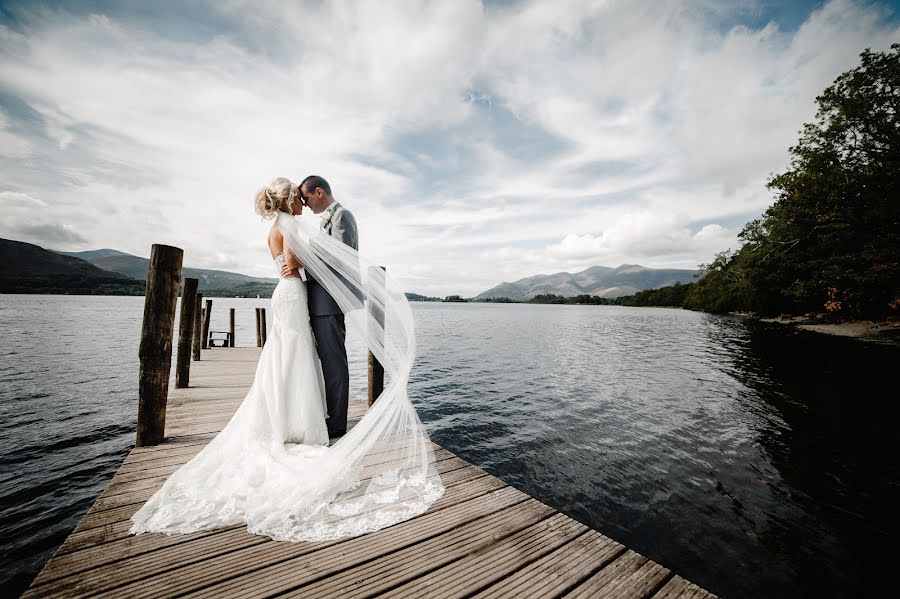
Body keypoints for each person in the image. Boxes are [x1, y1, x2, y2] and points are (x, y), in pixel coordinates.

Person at [127, 177, 443, 543]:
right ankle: (313, 421)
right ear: (290, 199)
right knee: (297, 356)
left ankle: (309, 419)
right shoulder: (288, 227)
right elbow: (297, 262)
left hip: (301, 296)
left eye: (306, 199)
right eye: (299, 200)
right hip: (296, 295)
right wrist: (302, 255)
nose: (304, 206)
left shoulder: (310, 222)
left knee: (295, 357)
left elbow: (329, 258)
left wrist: (302, 257)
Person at [283, 175, 357, 439]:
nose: (305, 204)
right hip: (318, 301)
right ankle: (328, 415)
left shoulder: (342, 217)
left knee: (334, 364)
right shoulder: (330, 219)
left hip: (329, 303)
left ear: (319, 192)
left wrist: (301, 264)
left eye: (306, 198)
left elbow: (339, 258)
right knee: (324, 362)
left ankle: (337, 424)